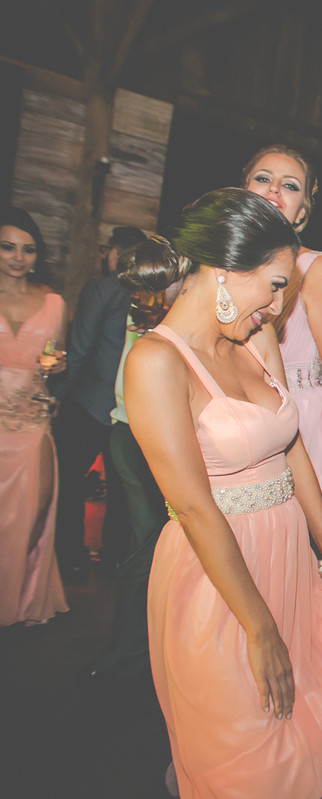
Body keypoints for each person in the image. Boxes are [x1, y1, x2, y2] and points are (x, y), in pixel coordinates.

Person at [125, 188, 322, 798]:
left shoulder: (256, 339)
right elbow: (193, 507)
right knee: (243, 758)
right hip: (220, 580)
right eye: (275, 285)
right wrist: (261, 629)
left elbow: (294, 449)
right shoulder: (156, 362)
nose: (279, 306)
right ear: (227, 271)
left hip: (287, 562)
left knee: (293, 735)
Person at [242, 144, 322, 596]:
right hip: (243, 428)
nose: (274, 189)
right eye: (262, 178)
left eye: (289, 185)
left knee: (306, 581)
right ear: (243, 190)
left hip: (308, 432)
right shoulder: (222, 270)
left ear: (303, 210)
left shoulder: (317, 270)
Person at [83, 237, 180, 695]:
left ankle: (159, 654)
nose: (142, 297)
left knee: (163, 547)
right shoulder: (141, 317)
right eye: (135, 289)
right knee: (148, 546)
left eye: (149, 287)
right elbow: (126, 384)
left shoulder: (180, 317)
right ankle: (127, 657)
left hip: (166, 438)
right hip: (135, 435)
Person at [53, 225, 146, 583]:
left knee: (69, 481)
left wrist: (58, 395)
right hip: (130, 411)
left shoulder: (100, 288)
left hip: (91, 403)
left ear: (115, 253)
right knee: (123, 491)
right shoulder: (150, 296)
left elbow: (79, 349)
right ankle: (113, 561)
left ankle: (72, 559)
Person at [0, 207, 69, 627]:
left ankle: (17, 600)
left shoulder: (53, 304)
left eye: (27, 249)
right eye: (8, 247)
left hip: (32, 423)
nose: (18, 257)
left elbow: (56, 359)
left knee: (32, 515)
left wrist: (59, 367)